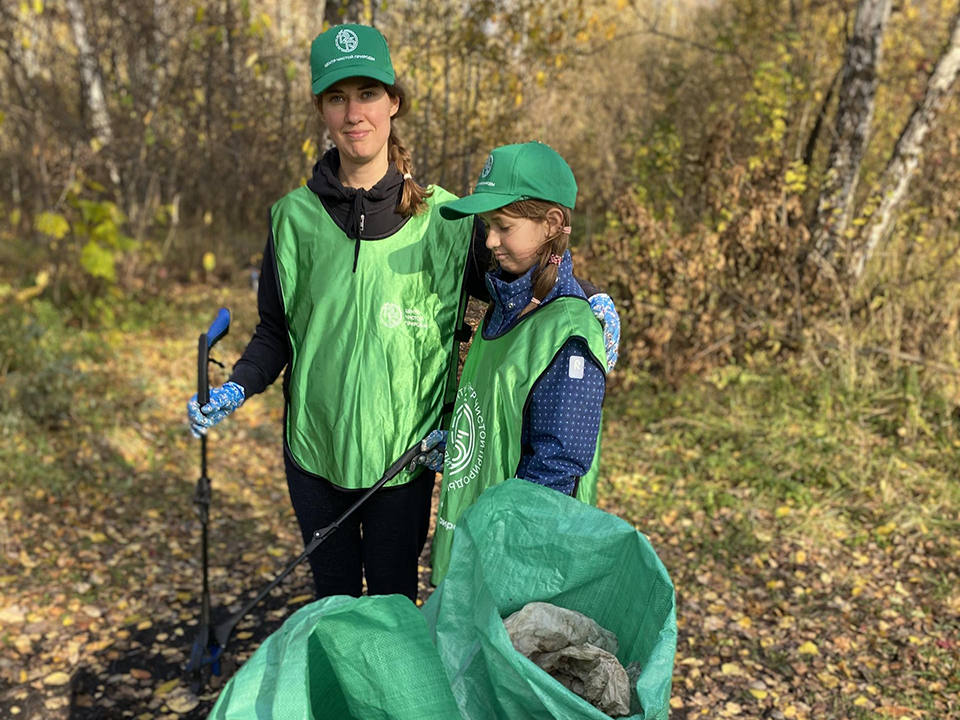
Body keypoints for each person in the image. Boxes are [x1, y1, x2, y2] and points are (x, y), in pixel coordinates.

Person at [186, 25, 619, 602]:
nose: (353, 112)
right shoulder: (290, 218)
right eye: (336, 97)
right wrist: (237, 387)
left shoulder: (446, 221)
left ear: (393, 101)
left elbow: (515, 277)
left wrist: (581, 296)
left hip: (405, 462)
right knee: (333, 603)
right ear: (321, 108)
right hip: (314, 454)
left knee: (393, 603)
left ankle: (390, 695)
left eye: (367, 93)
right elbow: (276, 330)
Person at [417, 142, 608, 585]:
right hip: (466, 560)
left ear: (552, 225)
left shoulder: (568, 336)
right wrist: (464, 446)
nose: (489, 241)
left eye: (503, 226)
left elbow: (554, 477)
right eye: (488, 226)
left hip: (512, 581)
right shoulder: (499, 309)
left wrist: (503, 579)